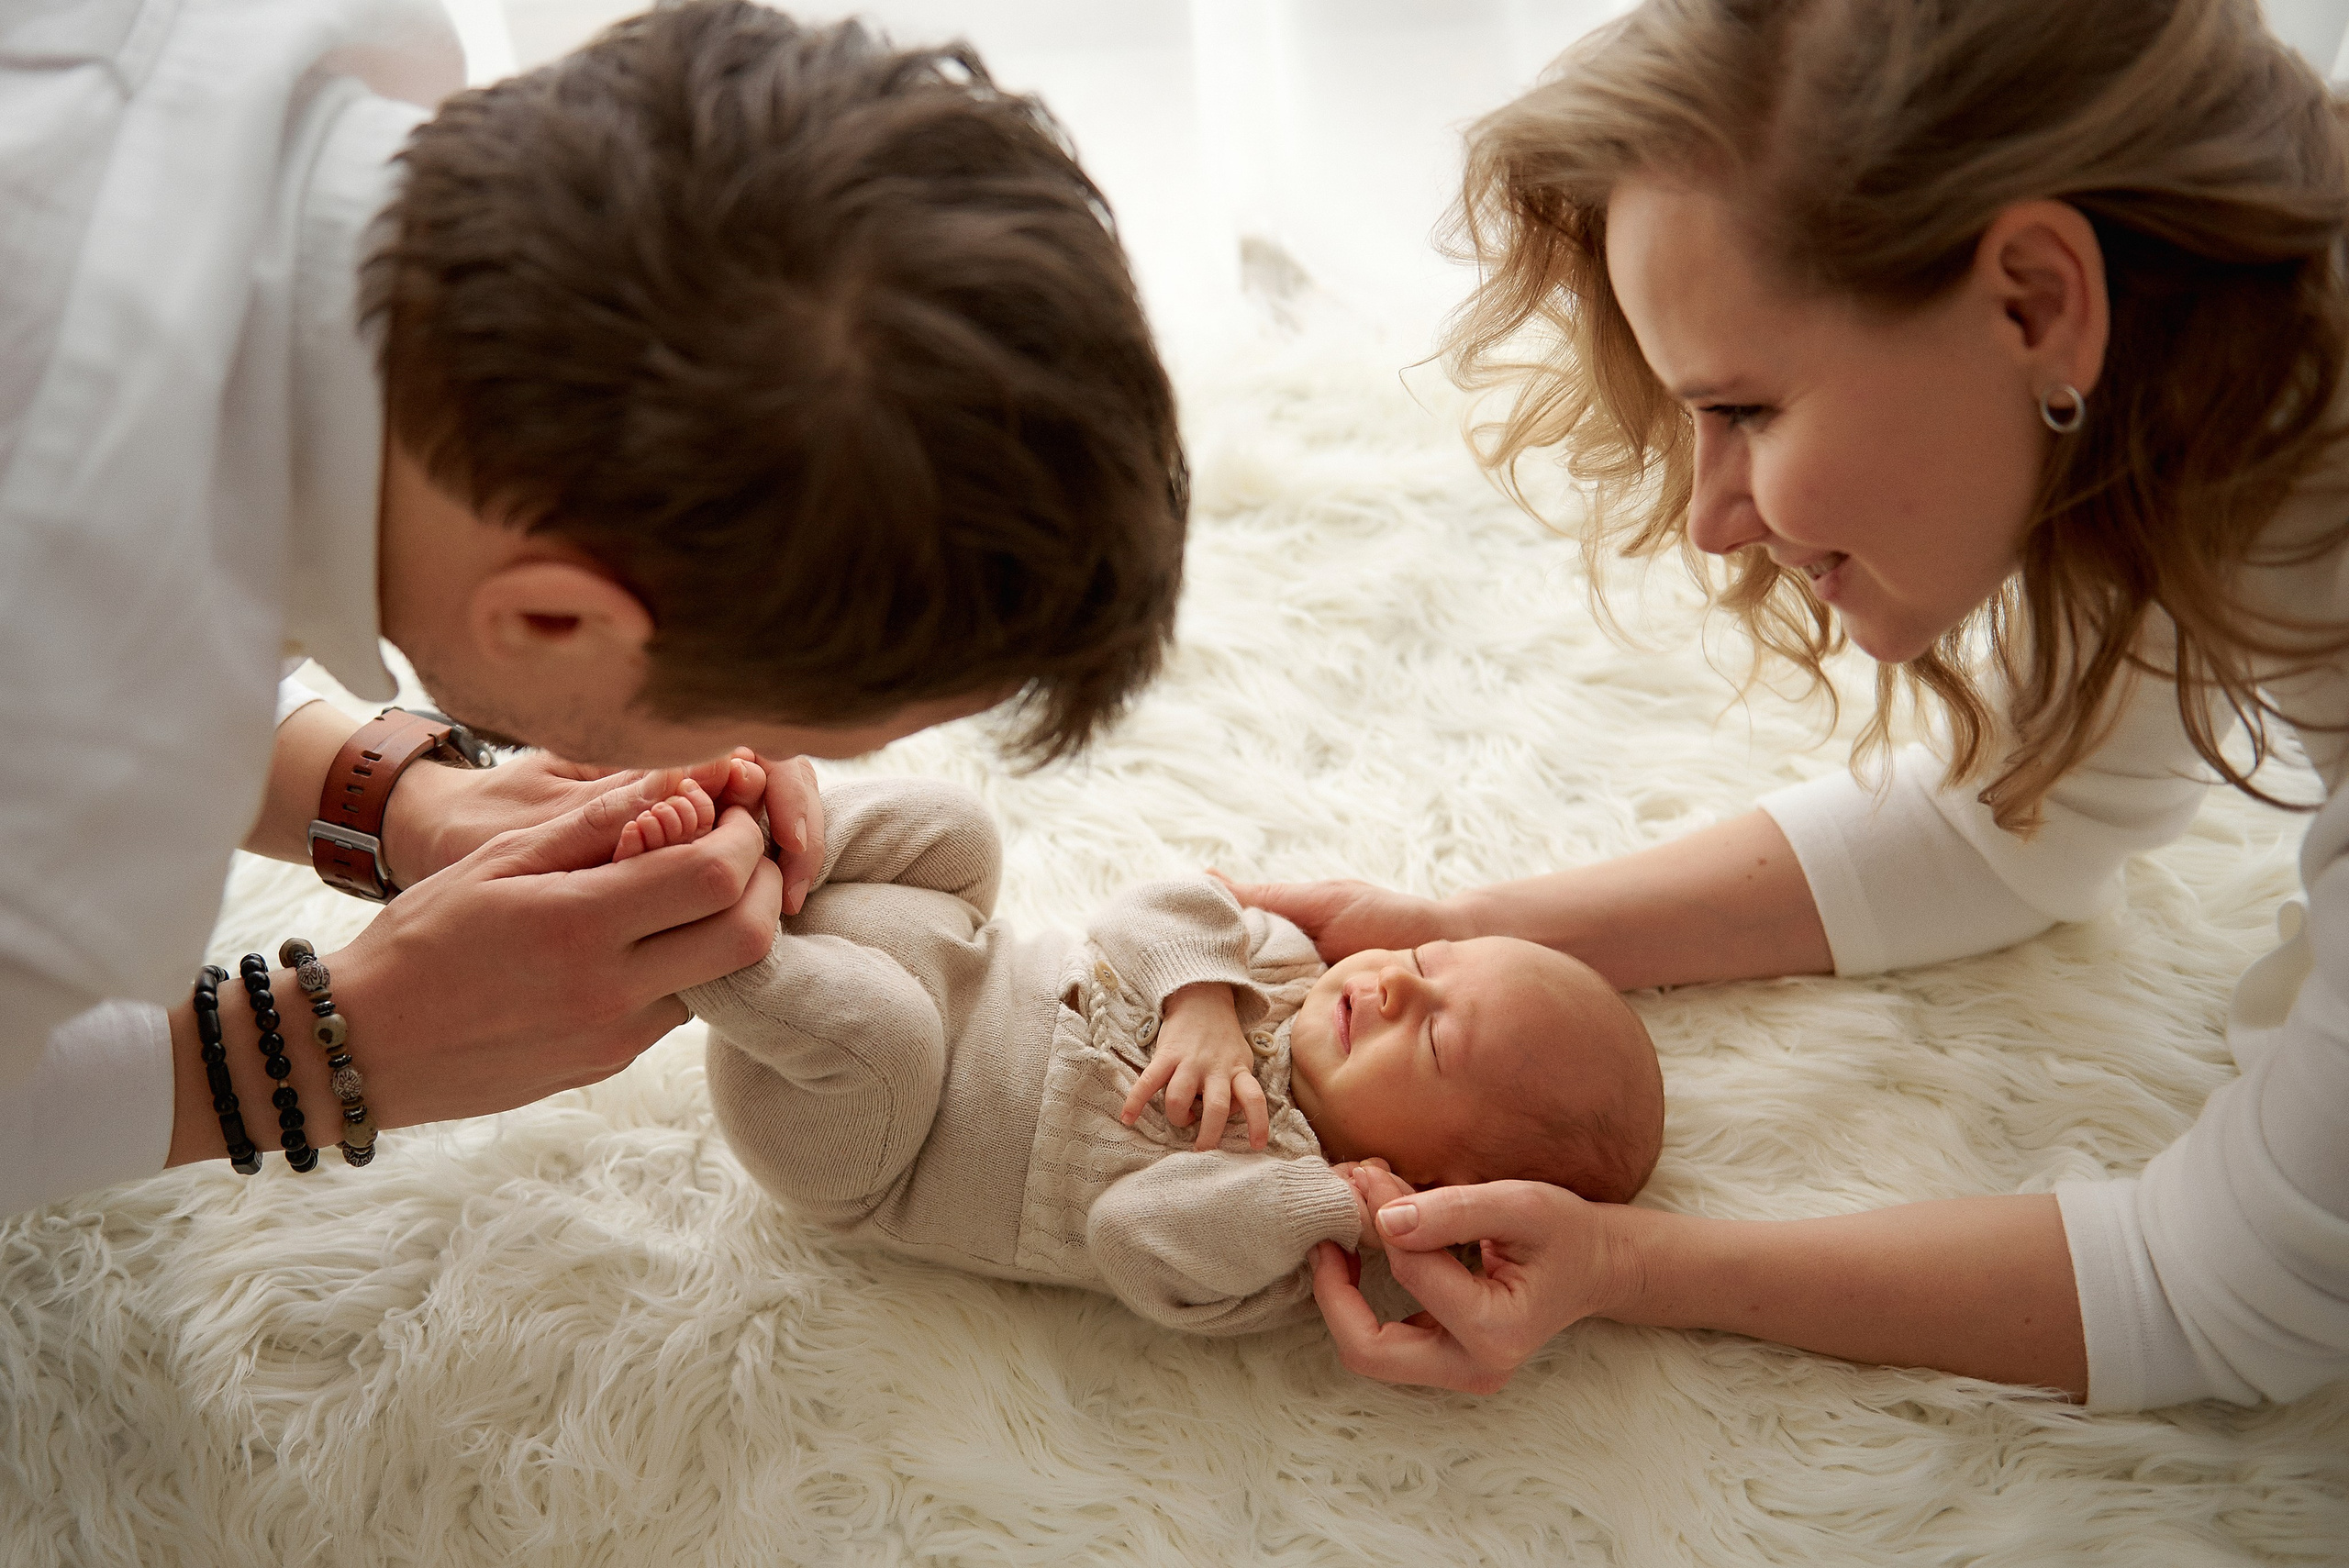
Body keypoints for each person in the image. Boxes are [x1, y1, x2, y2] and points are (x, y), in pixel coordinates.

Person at [1230, 0, 2349, 1410]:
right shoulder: (2199, 387)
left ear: (2038, 305)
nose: (1709, 518)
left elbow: (2229, 1293)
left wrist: (1630, 1266)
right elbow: (2015, 828)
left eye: (1745, 410)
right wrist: (1464, 936)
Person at [0, 1, 1186, 1214]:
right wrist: (325, 1048)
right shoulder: (87, 787)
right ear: (557, 619)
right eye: (787, 726)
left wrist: (404, 797)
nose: (754, 764)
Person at [638, 773, 1661, 1333]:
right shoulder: (1279, 966)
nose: (1394, 981)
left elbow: (1133, 1231)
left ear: (1444, 1186)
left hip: (861, 1131)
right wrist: (1200, 995)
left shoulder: (1288, 1247)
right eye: (1431, 959)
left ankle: (679, 925)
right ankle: (765, 837)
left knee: (889, 1034)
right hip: (937, 948)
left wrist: (1341, 1208)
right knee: (961, 833)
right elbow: (1150, 900)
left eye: (1433, 1032)